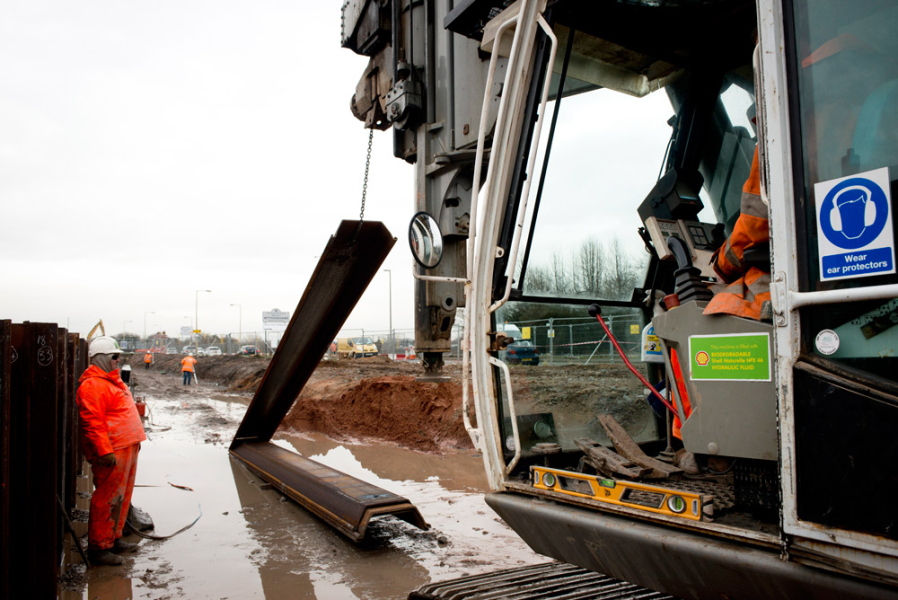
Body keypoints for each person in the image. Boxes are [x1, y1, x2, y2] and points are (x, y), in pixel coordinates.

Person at [76, 336, 146, 566]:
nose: (118, 361)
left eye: (119, 357)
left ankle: (113, 539)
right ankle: (99, 547)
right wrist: (104, 451)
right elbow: (92, 422)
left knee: (122, 497)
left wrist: (135, 439)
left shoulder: (112, 381)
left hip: (126, 447)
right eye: (114, 357)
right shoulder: (92, 384)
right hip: (113, 451)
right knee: (107, 498)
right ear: (100, 358)